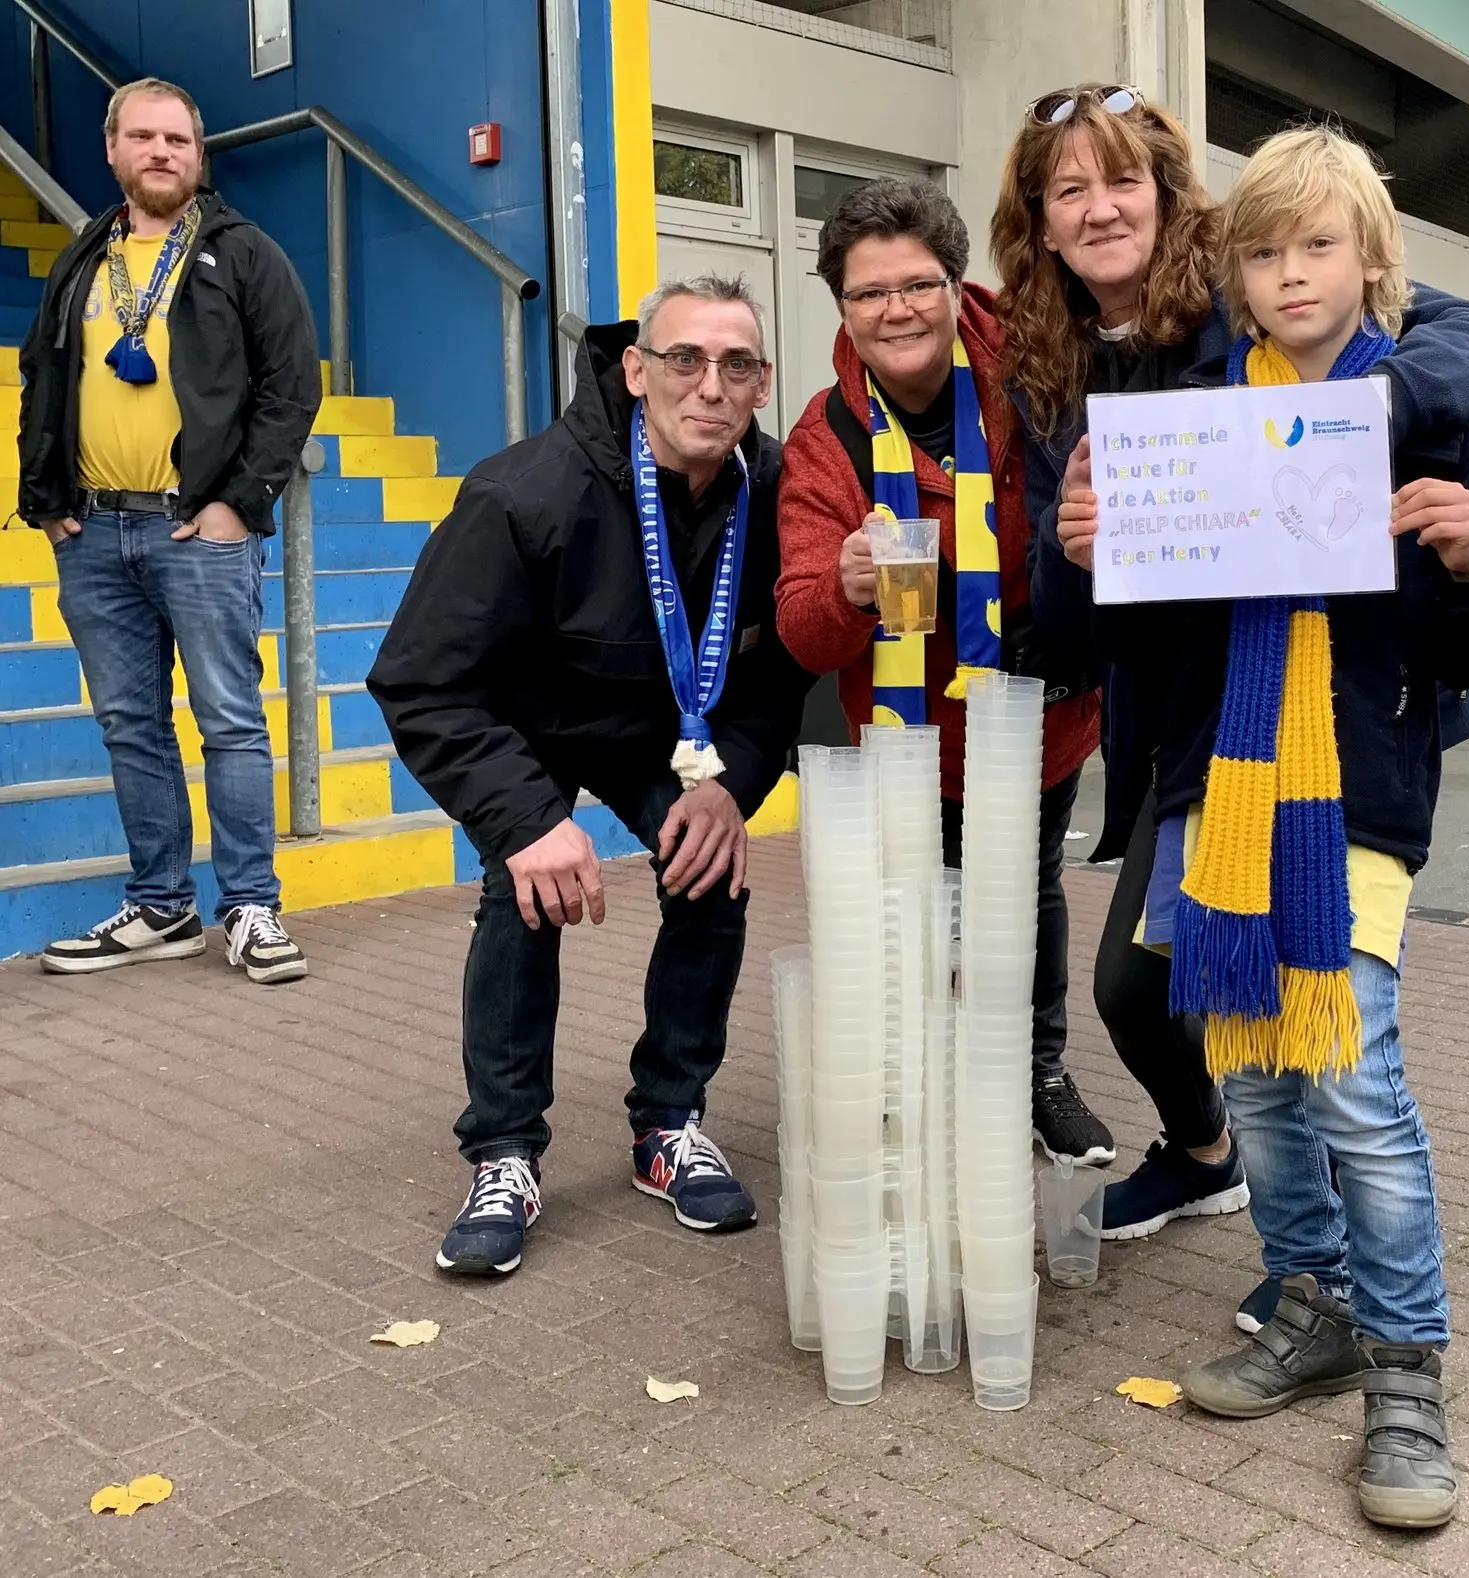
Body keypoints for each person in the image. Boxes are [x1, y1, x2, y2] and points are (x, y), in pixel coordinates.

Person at [1048, 124, 1469, 1531]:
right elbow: (1125, 629)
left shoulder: (1428, 421)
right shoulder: (1189, 408)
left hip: (1359, 800)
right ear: (1233, 273)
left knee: (1355, 1081)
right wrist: (1088, 552)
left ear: (1373, 262)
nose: (1288, 273)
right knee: (1254, 1070)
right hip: (1216, 788)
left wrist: (1458, 550)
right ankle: (1311, 1295)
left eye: (1316, 246)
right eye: (1261, 252)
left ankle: (1405, 1359)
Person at [991, 84, 1469, 1248]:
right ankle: (1220, 1165)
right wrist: (1071, 554)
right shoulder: (1049, 362)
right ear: (1037, 220)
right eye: (1066, 189)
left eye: (1119, 177)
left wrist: (1354, 413)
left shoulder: (1252, 284)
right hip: (1191, 716)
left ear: (1168, 191)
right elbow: (1076, 600)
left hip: (1346, 697)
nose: (1097, 207)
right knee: (1154, 989)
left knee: (1320, 1016)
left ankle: (1339, 1270)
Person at [366, 276, 814, 1273]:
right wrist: (527, 821)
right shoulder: (521, 493)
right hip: (529, 725)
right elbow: (420, 682)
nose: (710, 386)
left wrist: (728, 786)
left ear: (761, 382)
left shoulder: (775, 490)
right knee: (523, 894)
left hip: (667, 730)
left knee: (712, 868)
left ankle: (669, 1120)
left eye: (736, 365)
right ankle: (504, 1149)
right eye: (684, 360)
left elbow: (780, 672)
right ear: (635, 369)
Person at [774, 178, 1114, 1165]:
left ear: (952, 282)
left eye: (916, 285)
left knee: (1029, 893)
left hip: (1035, 717)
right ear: (840, 304)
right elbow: (802, 631)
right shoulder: (824, 436)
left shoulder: (1041, 366)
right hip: (906, 734)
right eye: (867, 293)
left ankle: (1040, 1071)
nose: (895, 311)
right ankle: (918, 1085)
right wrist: (843, 586)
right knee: (914, 921)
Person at [16, 77, 321, 983]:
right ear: (111, 150)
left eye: (178, 140)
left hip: (199, 533)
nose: (161, 152)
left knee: (229, 723)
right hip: (94, 534)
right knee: (129, 727)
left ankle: (252, 908)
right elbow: (44, 377)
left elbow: (291, 385)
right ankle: (160, 907)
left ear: (199, 155)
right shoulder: (82, 258)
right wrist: (46, 503)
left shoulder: (242, 253)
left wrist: (238, 502)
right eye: (143, 137)